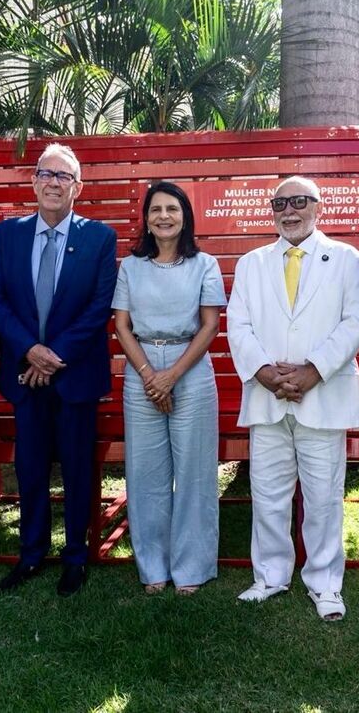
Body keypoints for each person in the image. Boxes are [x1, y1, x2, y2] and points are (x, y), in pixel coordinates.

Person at [227, 176, 359, 622]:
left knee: (324, 496)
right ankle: (269, 577)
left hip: (321, 394)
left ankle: (325, 583)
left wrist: (313, 371)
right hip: (268, 396)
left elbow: (355, 323)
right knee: (267, 493)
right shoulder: (252, 263)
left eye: (299, 202)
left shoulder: (346, 260)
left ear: (318, 207)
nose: (289, 211)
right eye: (280, 204)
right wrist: (268, 375)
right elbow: (239, 324)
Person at [0, 143, 117, 596]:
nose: (53, 183)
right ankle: (31, 554)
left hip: (73, 376)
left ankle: (75, 558)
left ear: (78, 188)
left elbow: (99, 307)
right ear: (34, 182)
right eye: (46, 174)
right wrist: (28, 350)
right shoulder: (8, 234)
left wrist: (52, 356)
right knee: (32, 468)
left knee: (79, 469)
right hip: (25, 376)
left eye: (63, 176)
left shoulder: (100, 238)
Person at [112, 181, 226, 596]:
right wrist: (148, 375)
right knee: (146, 473)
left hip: (190, 369)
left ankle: (192, 567)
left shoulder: (204, 265)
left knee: (194, 472)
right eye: (156, 209)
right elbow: (122, 325)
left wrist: (171, 376)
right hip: (141, 369)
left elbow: (210, 325)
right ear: (146, 218)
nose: (163, 216)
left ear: (185, 217)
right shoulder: (130, 267)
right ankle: (153, 566)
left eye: (172, 209)